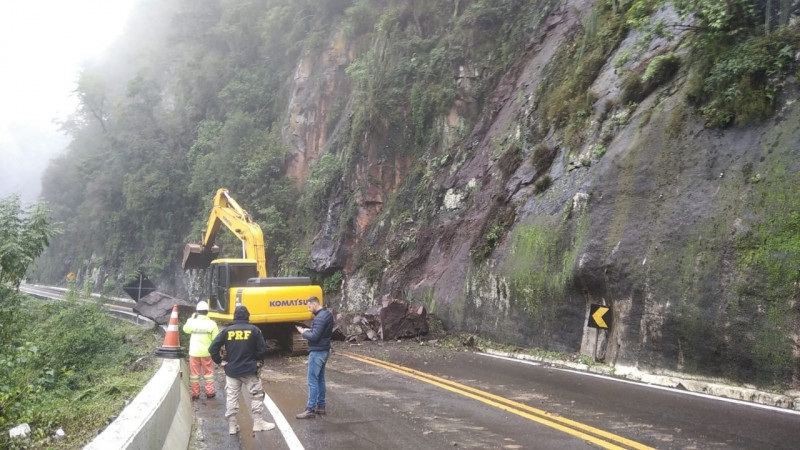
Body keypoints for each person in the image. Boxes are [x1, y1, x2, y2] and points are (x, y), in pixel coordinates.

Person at [209, 305, 276, 434]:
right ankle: (258, 423)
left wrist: (219, 361)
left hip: (232, 370)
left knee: (232, 397)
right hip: (250, 370)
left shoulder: (227, 331)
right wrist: (256, 361)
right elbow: (262, 350)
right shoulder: (255, 330)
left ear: (234, 316)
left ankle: (232, 426)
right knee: (256, 395)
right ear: (247, 316)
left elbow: (212, 348)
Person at [295, 296, 334, 419]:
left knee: (312, 380)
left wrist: (303, 332)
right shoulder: (327, 314)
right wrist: (310, 329)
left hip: (317, 352)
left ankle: (310, 409)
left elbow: (315, 337)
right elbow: (319, 332)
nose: (308, 308)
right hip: (324, 350)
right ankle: (321, 406)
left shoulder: (319, 318)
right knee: (320, 379)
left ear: (315, 304)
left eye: (309, 306)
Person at [182, 300, 219, 399]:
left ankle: (195, 393)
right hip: (207, 353)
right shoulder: (212, 324)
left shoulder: (193, 322)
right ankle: (210, 392)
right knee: (208, 373)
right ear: (207, 311)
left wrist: (190, 319)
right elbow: (216, 339)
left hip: (194, 353)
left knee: (194, 374)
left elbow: (185, 329)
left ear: (197, 311)